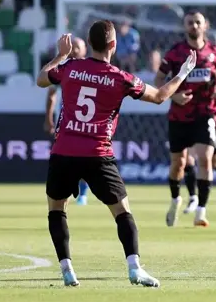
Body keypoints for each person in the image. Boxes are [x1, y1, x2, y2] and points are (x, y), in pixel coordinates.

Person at [35, 20, 196, 287]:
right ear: (113, 45)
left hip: (64, 150)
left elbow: (42, 79)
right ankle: (134, 268)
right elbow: (159, 97)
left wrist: (60, 56)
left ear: (91, 41)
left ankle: (67, 269)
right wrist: (182, 73)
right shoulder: (120, 78)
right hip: (98, 153)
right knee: (122, 211)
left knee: (56, 208)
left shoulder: (71, 68)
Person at [155, 11, 216, 228]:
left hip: (205, 113)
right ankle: (176, 199)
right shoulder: (176, 53)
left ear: (205, 25)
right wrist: (174, 96)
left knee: (205, 159)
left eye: (198, 22)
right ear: (185, 26)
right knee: (179, 164)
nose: (194, 26)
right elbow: (158, 80)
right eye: (190, 23)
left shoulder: (214, 52)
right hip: (179, 115)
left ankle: (201, 212)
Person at [44, 36, 90, 205]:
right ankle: (69, 191)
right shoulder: (63, 70)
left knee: (86, 159)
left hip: (89, 125)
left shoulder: (92, 69)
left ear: (86, 49)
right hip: (67, 124)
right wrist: (49, 118)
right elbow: (51, 96)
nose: (75, 50)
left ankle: (83, 193)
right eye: (73, 47)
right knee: (67, 160)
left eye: (78, 47)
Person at [182, 80, 216, 215]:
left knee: (215, 161)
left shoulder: (211, 69)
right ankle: (193, 197)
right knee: (186, 158)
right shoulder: (185, 70)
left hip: (209, 120)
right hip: (187, 119)